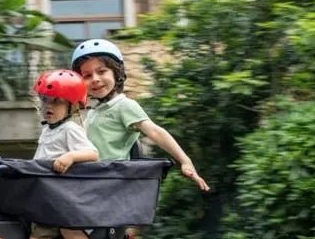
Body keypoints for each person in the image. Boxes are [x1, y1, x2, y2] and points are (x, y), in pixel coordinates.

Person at [11, 70, 112, 239]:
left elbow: (92, 154)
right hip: (50, 200)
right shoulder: (48, 131)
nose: (49, 106)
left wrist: (69, 156)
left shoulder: (69, 129)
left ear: (72, 106)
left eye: (56, 101)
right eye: (46, 100)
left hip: (64, 201)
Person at [70, 39, 210, 191]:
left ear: (117, 73)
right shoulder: (94, 111)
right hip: (91, 180)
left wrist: (185, 161)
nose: (95, 79)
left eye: (102, 71)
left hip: (111, 183)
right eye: (87, 75)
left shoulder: (123, 106)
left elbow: (155, 132)